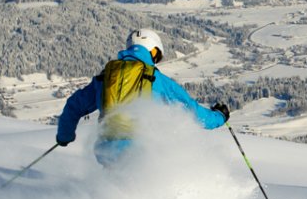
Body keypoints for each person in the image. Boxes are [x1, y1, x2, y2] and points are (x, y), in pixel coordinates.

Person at [55, 27, 231, 167]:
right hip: (141, 154)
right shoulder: (157, 79)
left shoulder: (105, 78)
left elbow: (73, 106)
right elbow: (193, 113)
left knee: (113, 192)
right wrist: (219, 117)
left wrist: (65, 136)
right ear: (153, 51)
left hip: (106, 151)